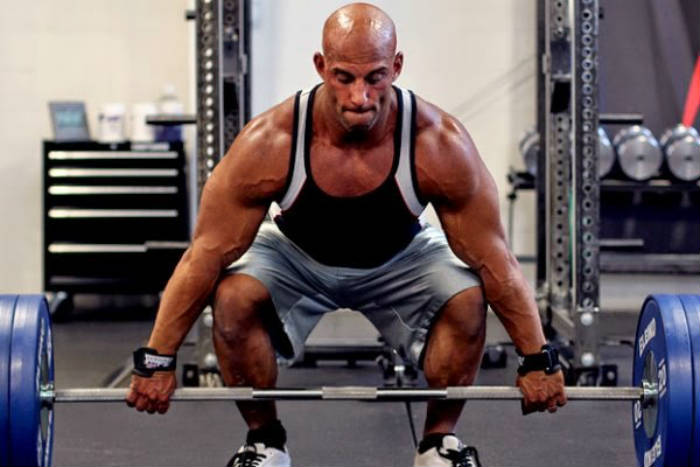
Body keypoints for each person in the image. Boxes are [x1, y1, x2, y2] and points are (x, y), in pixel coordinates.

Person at [126, 3, 567, 466]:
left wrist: (537, 358)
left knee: (468, 297)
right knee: (232, 296)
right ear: (320, 66)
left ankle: (439, 443)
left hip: (402, 255)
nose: (360, 97)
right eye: (343, 77)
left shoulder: (438, 142)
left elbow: (493, 257)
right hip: (295, 254)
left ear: (397, 66)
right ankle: (265, 442)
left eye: (376, 77)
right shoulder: (270, 141)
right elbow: (205, 255)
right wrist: (157, 358)